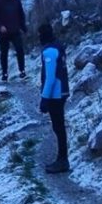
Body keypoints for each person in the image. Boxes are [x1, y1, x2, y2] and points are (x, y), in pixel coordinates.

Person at [38, 23, 71, 174]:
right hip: (63, 90)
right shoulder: (59, 46)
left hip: (54, 94)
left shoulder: (49, 51)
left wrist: (44, 98)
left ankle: (62, 160)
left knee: (58, 127)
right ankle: (62, 159)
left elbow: (50, 78)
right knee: (60, 126)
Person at [0, 0, 27, 82]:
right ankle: (5, 73)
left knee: (20, 49)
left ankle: (22, 70)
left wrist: (23, 27)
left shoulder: (16, 1)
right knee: (4, 52)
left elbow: (21, 14)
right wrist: (0, 26)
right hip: (3, 32)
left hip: (15, 30)